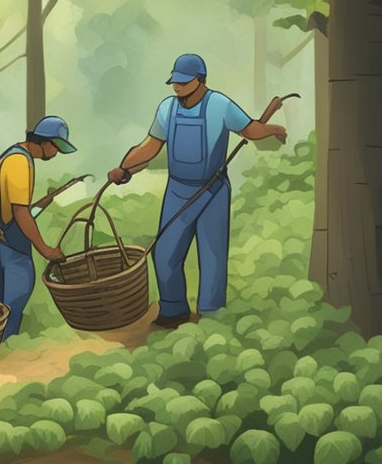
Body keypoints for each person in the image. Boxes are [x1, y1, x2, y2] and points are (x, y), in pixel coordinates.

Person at [107, 54, 286, 329]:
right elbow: (150, 146)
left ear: (200, 80)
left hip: (212, 191)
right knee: (164, 253)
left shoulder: (220, 105)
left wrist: (272, 129)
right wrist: (124, 168)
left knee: (212, 255)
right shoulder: (167, 108)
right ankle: (174, 309)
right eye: (174, 82)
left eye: (183, 82)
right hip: (178, 190)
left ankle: (213, 315)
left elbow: (250, 128)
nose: (177, 88)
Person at [0, 116, 75, 340]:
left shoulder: (13, 154)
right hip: (2, 236)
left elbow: (18, 209)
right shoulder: (21, 162)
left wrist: (44, 202)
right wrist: (46, 250)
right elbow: (20, 213)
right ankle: (7, 344)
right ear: (46, 142)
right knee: (16, 292)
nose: (57, 153)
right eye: (57, 147)